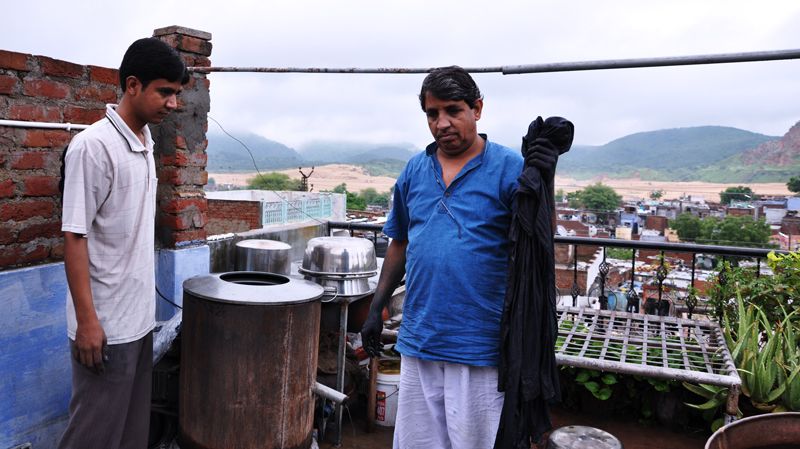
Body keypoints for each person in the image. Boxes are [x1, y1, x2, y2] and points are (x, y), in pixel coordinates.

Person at [360, 66, 559, 449]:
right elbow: (399, 242)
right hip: (420, 337)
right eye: (432, 114)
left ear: (477, 109)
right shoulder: (415, 170)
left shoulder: (508, 168)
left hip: (480, 345)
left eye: (453, 110)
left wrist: (545, 180)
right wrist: (375, 308)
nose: (442, 123)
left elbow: (540, 237)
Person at [58, 37, 188, 449]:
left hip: (137, 323)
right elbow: (74, 237)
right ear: (133, 85)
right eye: (164, 92)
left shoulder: (146, 143)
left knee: (131, 436)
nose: (173, 103)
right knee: (93, 437)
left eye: (177, 94)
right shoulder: (93, 147)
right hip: (104, 328)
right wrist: (88, 323)